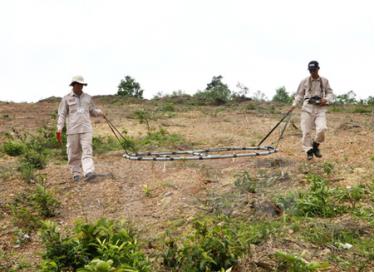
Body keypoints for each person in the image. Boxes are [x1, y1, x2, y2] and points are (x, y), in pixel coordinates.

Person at [56, 75, 104, 181]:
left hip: (86, 129)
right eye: (78, 84)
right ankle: (76, 173)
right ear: (73, 85)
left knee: (87, 151)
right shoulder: (66, 99)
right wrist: (59, 128)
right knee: (73, 153)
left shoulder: (88, 98)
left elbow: (92, 110)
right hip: (72, 130)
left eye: (82, 84)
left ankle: (89, 172)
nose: (80, 86)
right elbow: (62, 114)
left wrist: (100, 113)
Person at [289, 61, 334, 160]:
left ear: (318, 69)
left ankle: (315, 146)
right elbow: (299, 95)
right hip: (307, 108)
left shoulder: (325, 81)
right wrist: (294, 105)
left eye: (314, 70)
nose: (312, 72)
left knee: (322, 129)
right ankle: (309, 151)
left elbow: (330, 93)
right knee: (306, 132)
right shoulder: (304, 81)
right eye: (310, 70)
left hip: (320, 108)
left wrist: (326, 100)